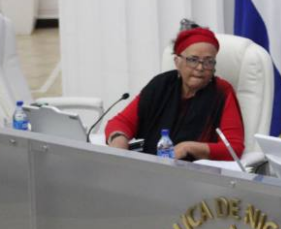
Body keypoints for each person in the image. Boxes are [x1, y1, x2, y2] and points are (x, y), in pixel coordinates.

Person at [105, 26, 245, 160]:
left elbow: (233, 149)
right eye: (193, 60)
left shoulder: (222, 91)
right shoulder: (161, 84)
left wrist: (188, 147)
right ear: (177, 61)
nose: (200, 67)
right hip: (150, 166)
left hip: (196, 175)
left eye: (209, 62)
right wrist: (118, 141)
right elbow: (121, 123)